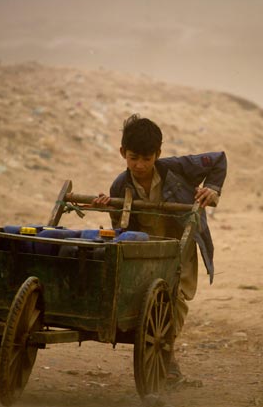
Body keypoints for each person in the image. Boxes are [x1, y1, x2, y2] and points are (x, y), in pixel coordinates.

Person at [93, 114, 227, 384]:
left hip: (180, 247)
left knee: (175, 300)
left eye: (146, 158)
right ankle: (162, 354)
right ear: (122, 153)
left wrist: (212, 189)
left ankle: (166, 355)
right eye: (133, 158)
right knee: (146, 300)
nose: (139, 165)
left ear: (158, 154)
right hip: (145, 251)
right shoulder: (120, 185)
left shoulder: (177, 168)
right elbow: (121, 228)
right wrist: (111, 206)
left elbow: (218, 160)